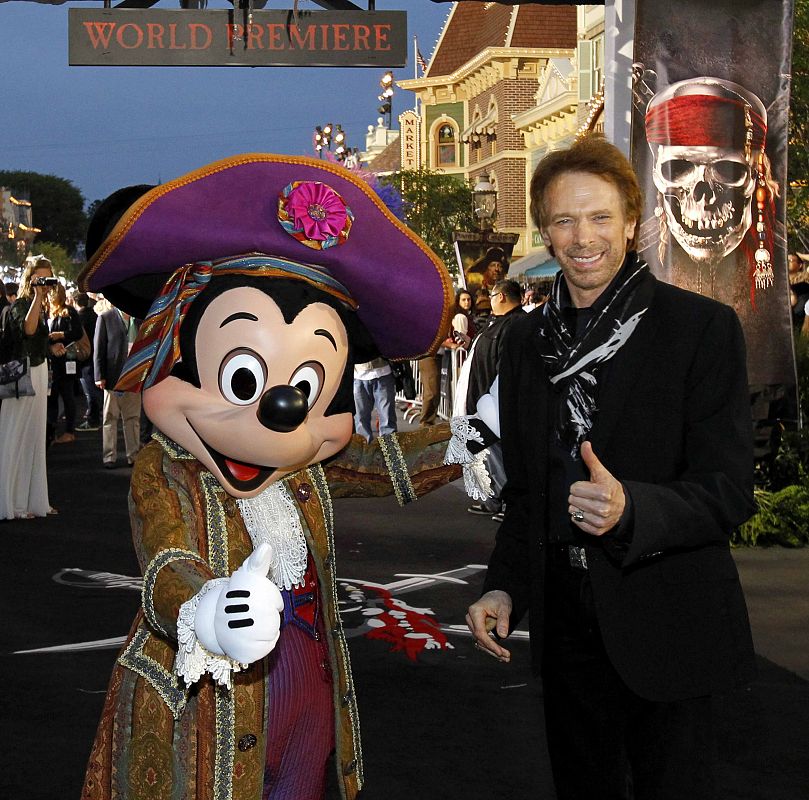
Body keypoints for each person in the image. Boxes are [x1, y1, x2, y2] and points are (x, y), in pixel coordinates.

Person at [464, 134, 756, 800]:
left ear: (631, 223)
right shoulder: (524, 341)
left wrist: (635, 511)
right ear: (544, 230)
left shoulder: (698, 329)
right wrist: (504, 585)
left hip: (669, 617)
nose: (581, 236)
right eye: (564, 220)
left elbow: (729, 489)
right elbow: (529, 492)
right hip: (566, 626)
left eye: (599, 217)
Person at [0, 255, 61, 519]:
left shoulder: (41, 305)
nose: (45, 283)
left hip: (38, 373)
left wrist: (51, 346)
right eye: (41, 277)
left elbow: (36, 337)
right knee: (17, 436)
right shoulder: (21, 304)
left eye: (48, 278)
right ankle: (11, 504)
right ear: (30, 277)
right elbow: (27, 329)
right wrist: (37, 296)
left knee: (35, 438)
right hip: (21, 379)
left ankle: (33, 502)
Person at [464, 279, 523, 521]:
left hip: (499, 405)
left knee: (504, 455)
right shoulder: (498, 324)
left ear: (501, 297)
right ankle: (492, 498)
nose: (488, 301)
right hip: (485, 401)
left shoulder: (515, 326)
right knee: (487, 454)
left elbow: (508, 369)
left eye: (491, 296)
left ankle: (509, 503)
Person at [94, 303, 141, 468]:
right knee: (110, 418)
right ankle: (109, 457)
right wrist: (99, 376)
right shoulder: (106, 318)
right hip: (113, 377)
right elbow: (98, 349)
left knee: (133, 418)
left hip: (134, 377)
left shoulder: (140, 320)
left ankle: (134, 455)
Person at [45, 281, 83, 445]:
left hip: (66, 360)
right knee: (52, 397)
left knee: (67, 396)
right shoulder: (47, 312)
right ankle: (51, 431)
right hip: (52, 362)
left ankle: (69, 431)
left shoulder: (69, 312)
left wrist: (60, 335)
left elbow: (77, 333)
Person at [71, 292, 103, 430]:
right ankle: (97, 415)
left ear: (75, 302)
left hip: (84, 358)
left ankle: (93, 419)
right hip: (95, 356)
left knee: (90, 391)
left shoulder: (79, 319)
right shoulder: (95, 316)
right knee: (94, 389)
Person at [353, 356, 398, 441]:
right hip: (358, 375)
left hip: (383, 371)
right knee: (360, 419)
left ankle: (389, 450)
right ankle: (365, 451)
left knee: (387, 418)